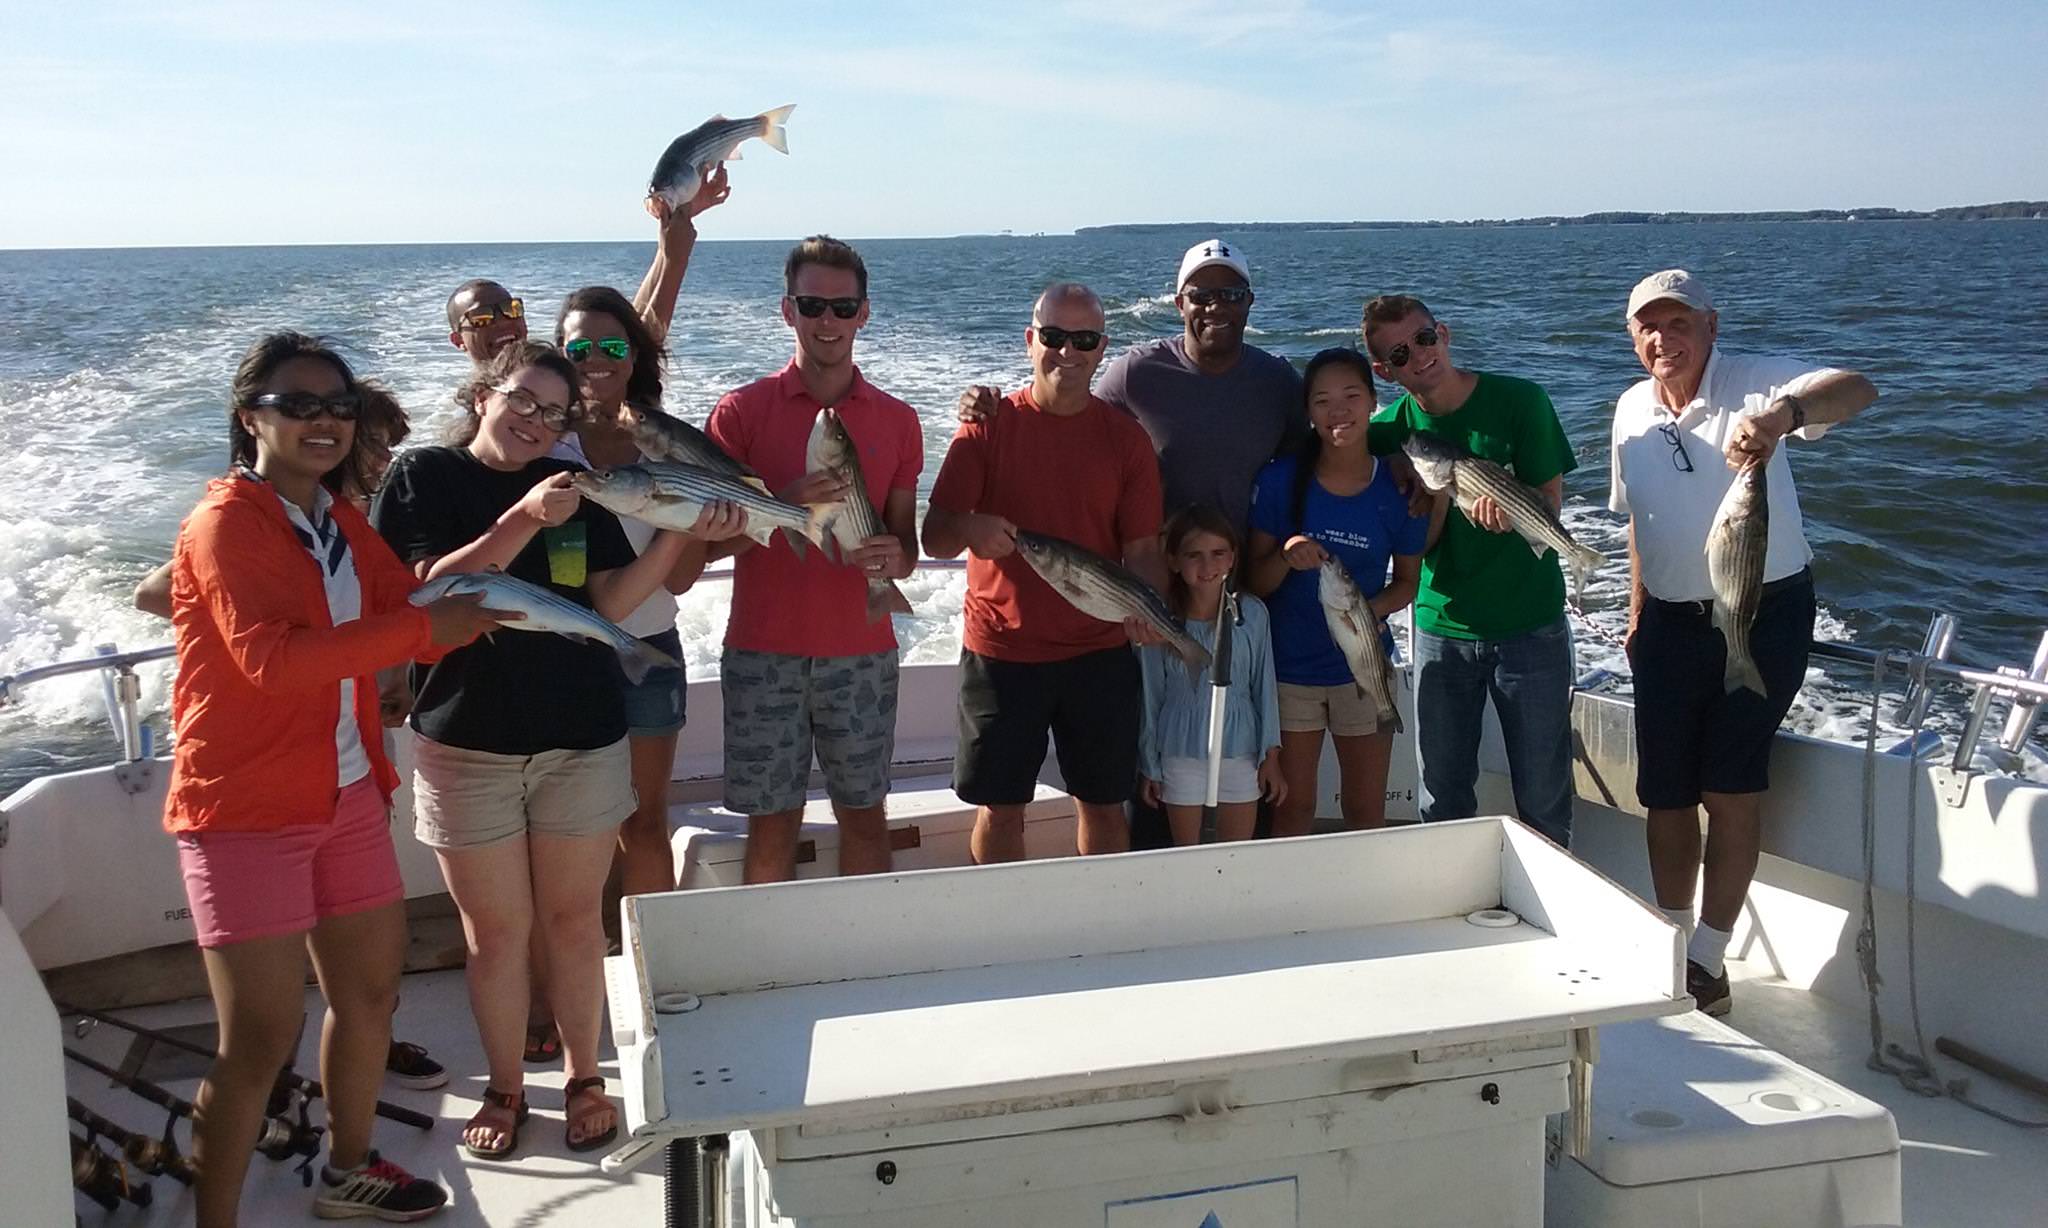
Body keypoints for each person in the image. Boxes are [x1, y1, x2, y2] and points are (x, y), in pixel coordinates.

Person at [164, 332, 505, 1225]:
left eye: (339, 406)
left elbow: (410, 597)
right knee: (258, 1042)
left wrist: (516, 561)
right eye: (300, 404)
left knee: (370, 1001)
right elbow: (273, 663)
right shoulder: (225, 523)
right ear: (252, 419)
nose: (325, 421)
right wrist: (429, 633)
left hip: (349, 795)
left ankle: (349, 1170)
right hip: (243, 810)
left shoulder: (337, 518)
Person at [371, 341, 729, 1159]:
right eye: (523, 401)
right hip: (467, 744)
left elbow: (609, 597)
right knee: (495, 935)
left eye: (555, 413)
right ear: (482, 394)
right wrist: (524, 517)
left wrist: (678, 538)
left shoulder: (581, 494)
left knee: (573, 924)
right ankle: (504, 1087)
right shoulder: (427, 477)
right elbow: (425, 590)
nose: (537, 422)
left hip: (582, 735)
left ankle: (582, 1078)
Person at [134, 381, 451, 1094]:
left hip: (349, 754)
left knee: (363, 976)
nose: (380, 460)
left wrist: (378, 665)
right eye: (375, 445)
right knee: (264, 1025)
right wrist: (249, 628)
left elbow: (389, 610)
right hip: (262, 776)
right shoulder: (245, 520)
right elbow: (158, 592)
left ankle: (374, 1057)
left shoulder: (351, 518)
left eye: (383, 444)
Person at [1612, 269, 1875, 1016]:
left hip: (1762, 613)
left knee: (1729, 789)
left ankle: (1709, 959)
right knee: (1664, 794)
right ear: (1634, 338)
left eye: (1680, 323)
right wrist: (1636, 616)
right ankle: (1671, 942)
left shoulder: (1756, 383)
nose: (1665, 339)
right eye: (1649, 327)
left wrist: (1785, 417)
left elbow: (1858, 388)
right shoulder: (1629, 409)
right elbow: (1641, 520)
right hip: (1665, 624)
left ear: (1711, 325)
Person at [705, 236, 922, 884]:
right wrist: (783, 506)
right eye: (811, 304)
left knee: (865, 815)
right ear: (786, 311)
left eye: (841, 306)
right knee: (771, 824)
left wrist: (896, 559)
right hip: (763, 652)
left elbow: (907, 545)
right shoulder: (739, 414)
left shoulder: (899, 419)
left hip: (862, 651)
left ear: (864, 313)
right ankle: (767, 974)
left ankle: (870, 964)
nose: (826, 320)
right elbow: (707, 546)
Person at [924, 282, 1166, 862]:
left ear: (1101, 347)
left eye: (1083, 339)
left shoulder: (1126, 440)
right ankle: (1000, 931)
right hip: (1002, 652)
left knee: (1104, 803)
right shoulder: (986, 425)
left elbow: (1143, 549)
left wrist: (1152, 610)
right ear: (1031, 340)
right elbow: (934, 536)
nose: (1068, 352)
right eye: (1054, 337)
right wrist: (971, 527)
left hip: (1099, 650)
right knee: (1000, 807)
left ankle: (1098, 926)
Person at [1362, 295, 1580, 847]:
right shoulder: (1387, 433)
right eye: (1401, 353)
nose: (1420, 356)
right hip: (1440, 630)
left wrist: (1510, 511)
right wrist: (1437, 500)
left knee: (1544, 794)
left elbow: (1548, 506)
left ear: (1445, 334)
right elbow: (1416, 545)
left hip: (1530, 625)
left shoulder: (1520, 400)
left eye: (1426, 338)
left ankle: (1550, 920)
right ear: (1384, 372)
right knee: (1441, 794)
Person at [553, 286, 732, 898]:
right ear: (559, 356)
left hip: (649, 649)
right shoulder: (543, 445)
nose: (595, 360)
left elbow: (680, 579)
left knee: (644, 822)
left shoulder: (666, 444)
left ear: (634, 357)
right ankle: (579, 954)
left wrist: (695, 526)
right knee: (567, 830)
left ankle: (647, 955)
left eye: (611, 346)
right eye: (579, 348)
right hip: (560, 657)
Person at [1249, 347, 1426, 836]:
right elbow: (1253, 584)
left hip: (1364, 672)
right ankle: (1291, 911)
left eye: (1351, 396)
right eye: (1323, 400)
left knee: (1366, 809)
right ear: (1307, 412)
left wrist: (1366, 612)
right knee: (1293, 806)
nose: (1339, 410)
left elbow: (1407, 584)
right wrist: (1285, 555)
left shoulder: (1399, 489)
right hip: (1289, 674)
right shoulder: (1281, 479)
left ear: (1373, 401)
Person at [1094, 238, 1306, 532]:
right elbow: (1079, 447)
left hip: (1248, 571)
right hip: (1152, 568)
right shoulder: (1134, 374)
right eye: (1202, 296)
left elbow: (1314, 469)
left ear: (1249, 302)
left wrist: (1390, 462)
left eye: (1232, 295)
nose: (1216, 307)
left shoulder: (1280, 382)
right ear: (1180, 304)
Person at [1139, 504, 1284, 845]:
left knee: (1236, 856)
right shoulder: (1159, 620)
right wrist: (1150, 763)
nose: (1208, 566)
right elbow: (1151, 694)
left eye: (1219, 553)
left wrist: (1271, 757)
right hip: (1180, 750)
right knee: (1187, 855)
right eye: (1194, 555)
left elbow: (1264, 689)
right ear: (1173, 561)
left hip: (1242, 750)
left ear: (1233, 558)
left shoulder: (1251, 615)